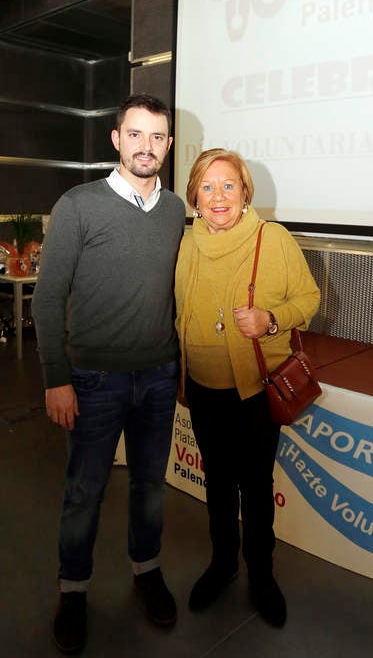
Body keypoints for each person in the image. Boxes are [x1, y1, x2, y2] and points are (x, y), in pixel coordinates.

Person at [32, 93, 186, 654]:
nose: (147, 146)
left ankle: (146, 572)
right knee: (84, 492)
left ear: (168, 146)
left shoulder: (174, 212)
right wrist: (56, 377)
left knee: (149, 488)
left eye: (158, 137)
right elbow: (46, 301)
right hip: (93, 379)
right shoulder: (77, 205)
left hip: (158, 378)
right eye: (136, 134)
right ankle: (73, 590)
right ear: (116, 139)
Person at [174, 148, 320, 627]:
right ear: (194, 194)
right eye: (208, 186)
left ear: (244, 193)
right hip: (201, 387)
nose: (219, 196)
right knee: (216, 483)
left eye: (229, 186)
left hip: (254, 393)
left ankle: (262, 575)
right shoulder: (187, 242)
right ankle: (221, 565)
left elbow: (310, 298)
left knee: (256, 489)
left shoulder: (270, 238)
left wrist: (271, 319)